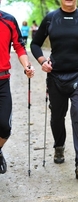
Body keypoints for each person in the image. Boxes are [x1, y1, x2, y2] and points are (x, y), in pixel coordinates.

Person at [30, 0, 78, 181]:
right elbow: (35, 44)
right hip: (56, 76)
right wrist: (43, 62)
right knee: (57, 116)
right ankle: (59, 145)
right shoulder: (51, 19)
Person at [0, 5, 35, 174]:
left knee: (4, 126)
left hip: (2, 81)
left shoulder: (8, 20)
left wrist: (27, 65)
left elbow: (19, 46)